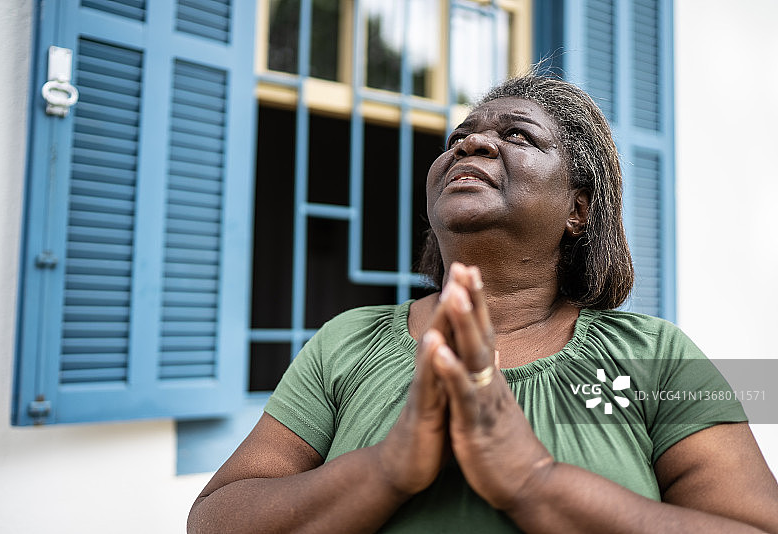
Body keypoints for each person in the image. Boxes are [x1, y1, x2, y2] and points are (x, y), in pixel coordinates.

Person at [187, 74, 778, 533]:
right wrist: (389, 468)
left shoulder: (655, 357)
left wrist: (533, 481)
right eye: (459, 137)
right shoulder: (346, 341)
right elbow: (215, 521)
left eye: (517, 135)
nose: (470, 141)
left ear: (578, 209)